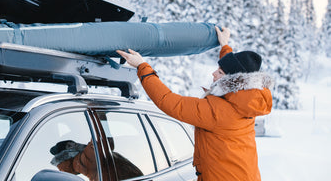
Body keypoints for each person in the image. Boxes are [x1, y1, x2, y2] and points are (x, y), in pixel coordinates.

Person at [116, 26, 273, 181]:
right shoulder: (245, 100)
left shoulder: (217, 112)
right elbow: (235, 71)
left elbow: (170, 102)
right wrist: (224, 45)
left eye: (220, 72)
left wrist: (142, 67)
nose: (214, 73)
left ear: (229, 82)